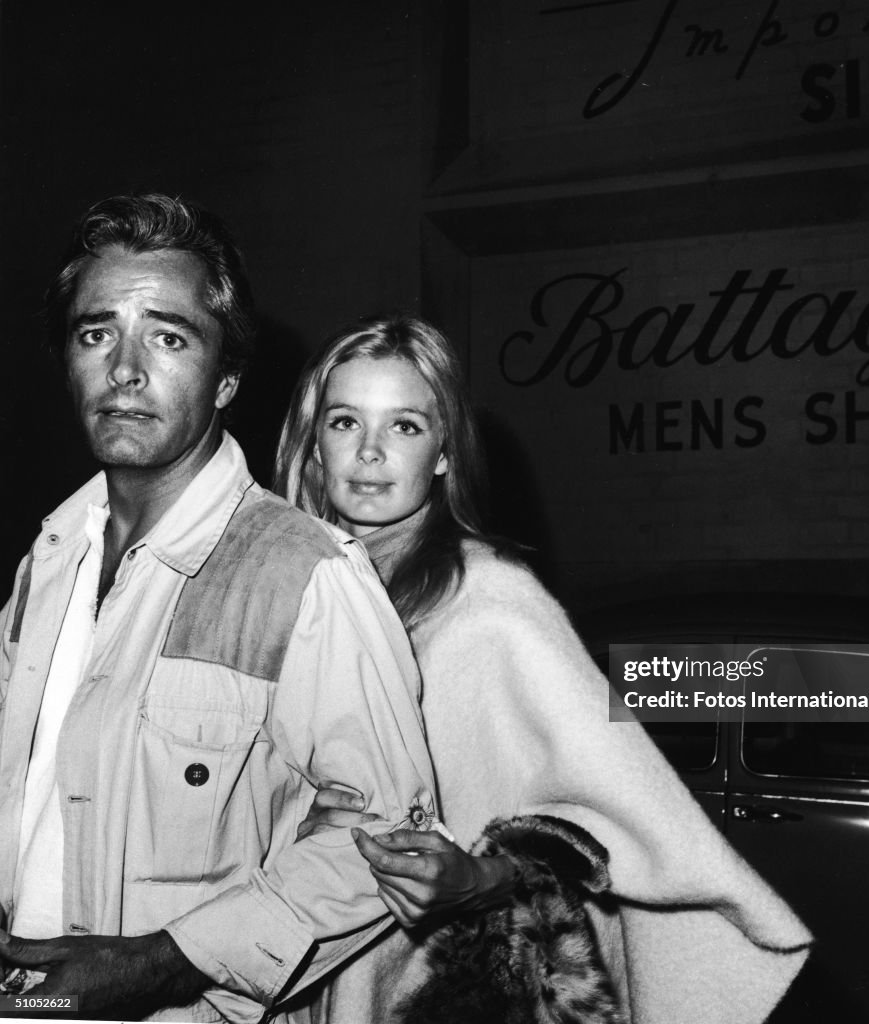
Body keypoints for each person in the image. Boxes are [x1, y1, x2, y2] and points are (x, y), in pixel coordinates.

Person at [274, 314, 812, 1024]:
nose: (370, 451)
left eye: (404, 425)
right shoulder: (288, 591)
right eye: (345, 422)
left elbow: (610, 814)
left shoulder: (492, 599)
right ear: (314, 443)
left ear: (442, 452)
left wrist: (477, 877)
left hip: (432, 987)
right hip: (286, 964)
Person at [0, 196, 438, 1023]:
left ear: (226, 378)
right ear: (67, 361)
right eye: (98, 333)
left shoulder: (305, 574)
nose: (126, 369)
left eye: (168, 337)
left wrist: (164, 965)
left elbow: (386, 843)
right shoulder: (49, 562)